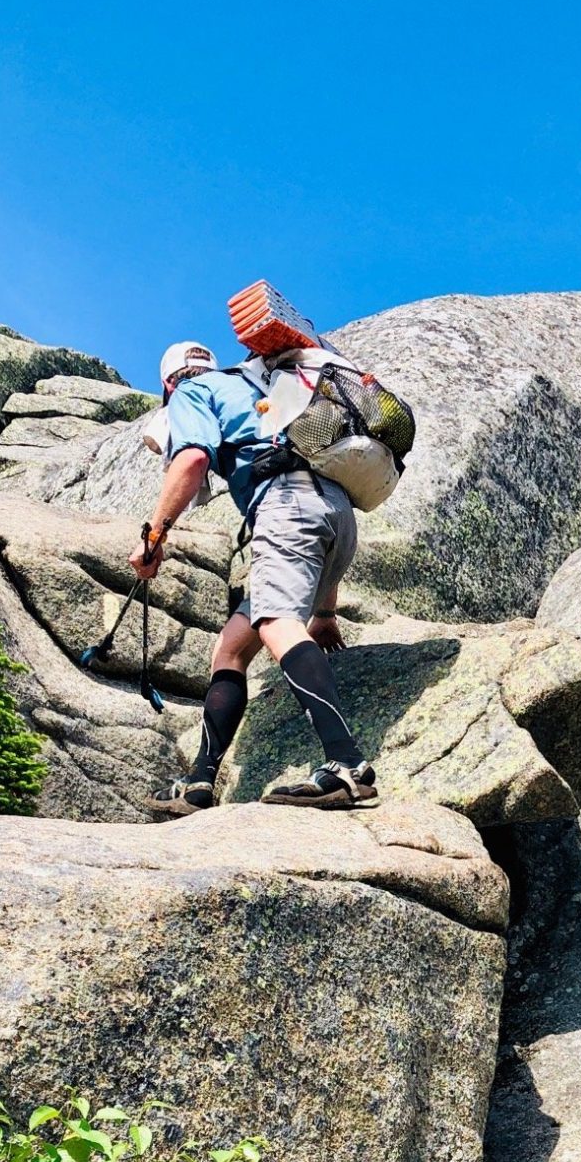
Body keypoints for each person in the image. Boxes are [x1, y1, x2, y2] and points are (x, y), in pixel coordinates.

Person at [132, 338, 376, 817]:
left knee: (275, 624)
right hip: (338, 514)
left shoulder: (191, 393)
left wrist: (154, 535)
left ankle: (348, 766)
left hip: (285, 508)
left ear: (166, 383)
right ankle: (200, 780)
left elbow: (193, 460)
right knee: (231, 646)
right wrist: (324, 613)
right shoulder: (253, 382)